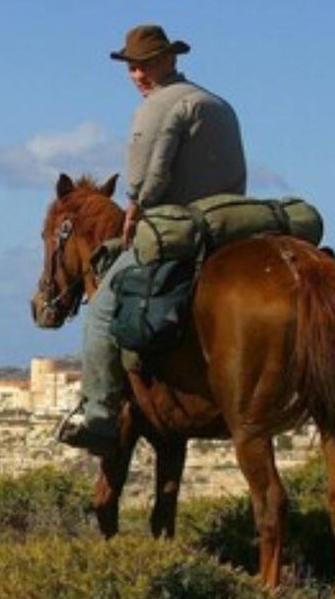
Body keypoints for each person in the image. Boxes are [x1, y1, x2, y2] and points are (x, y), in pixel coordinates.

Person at [59, 24, 247, 455]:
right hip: (229, 221)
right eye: (132, 67)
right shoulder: (218, 104)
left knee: (103, 307)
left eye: (145, 64)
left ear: (170, 60)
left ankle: (100, 414)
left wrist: (134, 209)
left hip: (178, 226)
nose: (138, 75)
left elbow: (152, 175)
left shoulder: (156, 108)